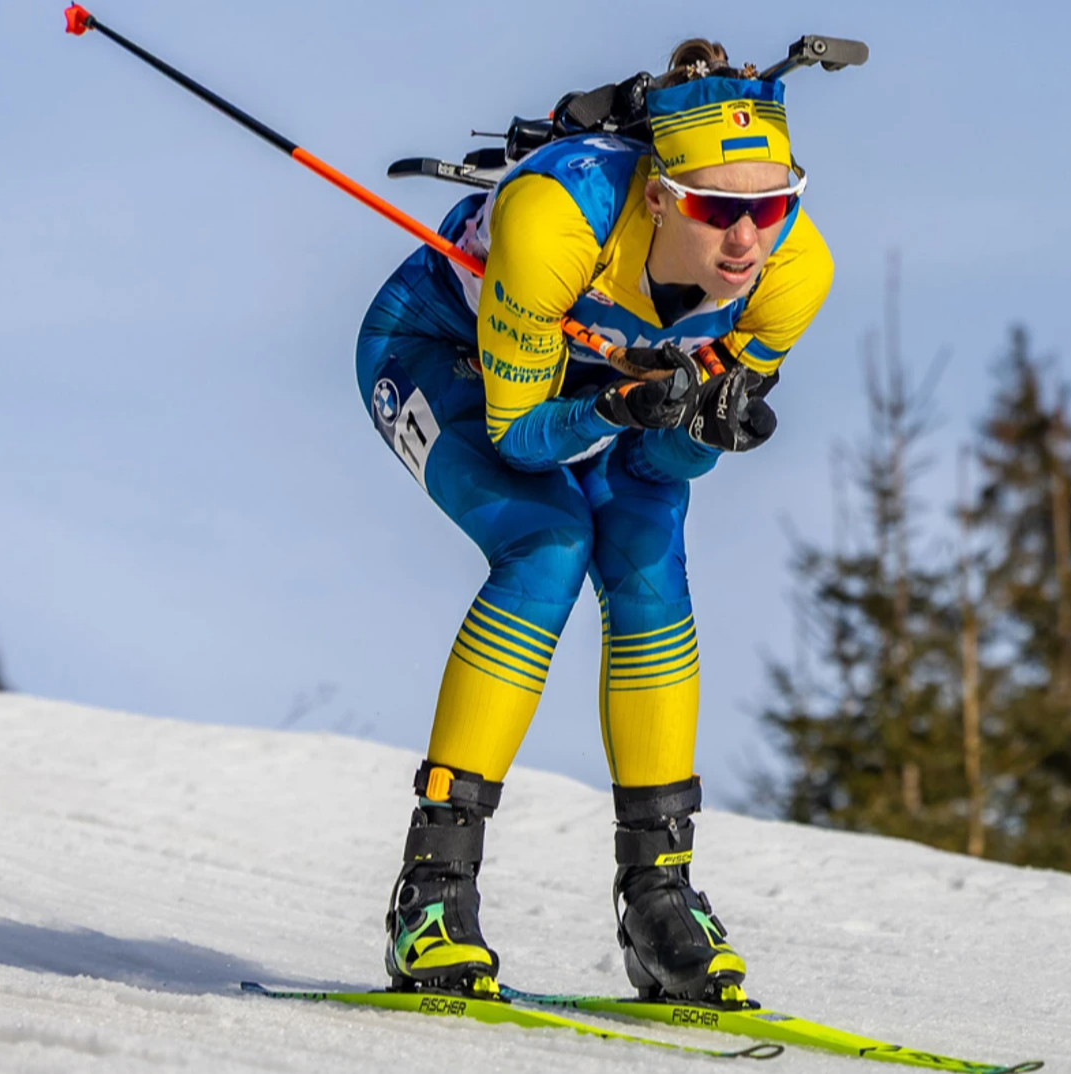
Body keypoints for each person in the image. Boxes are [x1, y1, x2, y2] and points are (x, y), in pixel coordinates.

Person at [353, 39, 834, 1004]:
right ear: (659, 195)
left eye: (771, 207)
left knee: (646, 543)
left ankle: (661, 899)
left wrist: (703, 428)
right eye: (718, 210)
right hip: (443, 353)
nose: (748, 241)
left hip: (602, 385)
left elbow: (662, 471)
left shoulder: (793, 272)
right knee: (548, 540)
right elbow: (524, 440)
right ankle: (433, 893)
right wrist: (620, 406)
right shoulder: (552, 224)